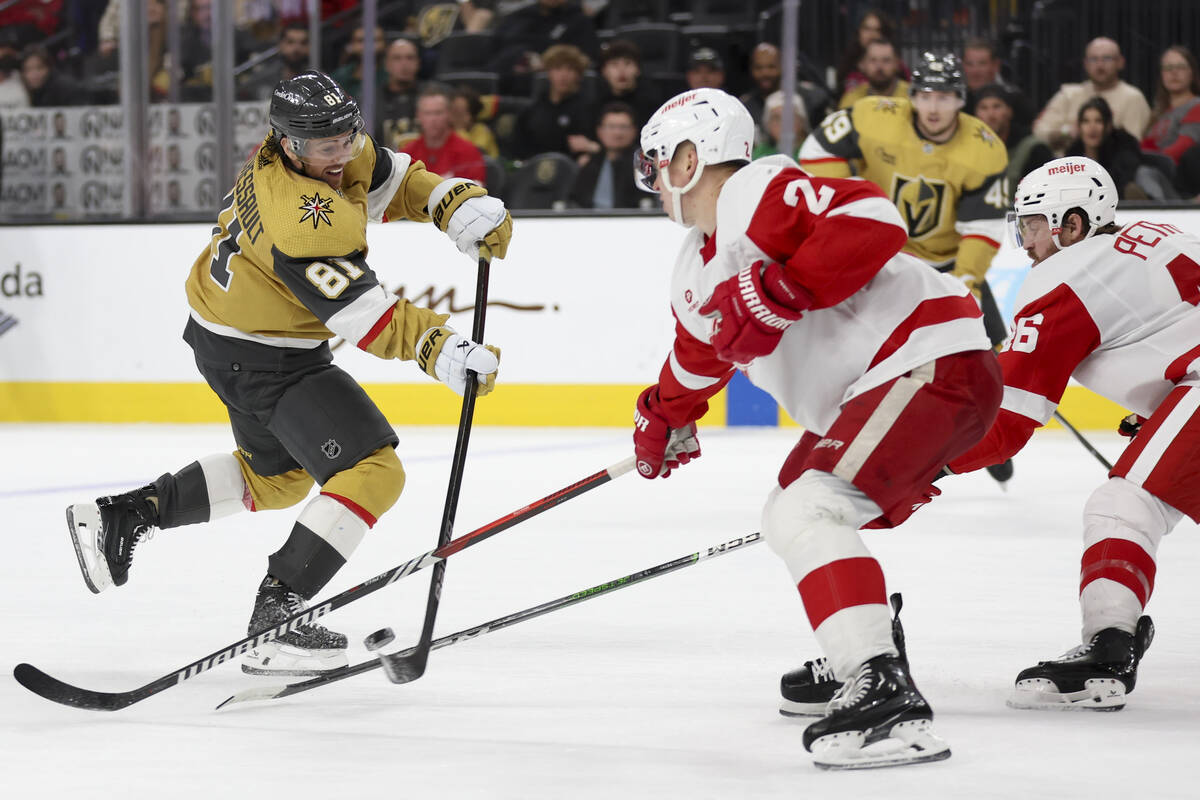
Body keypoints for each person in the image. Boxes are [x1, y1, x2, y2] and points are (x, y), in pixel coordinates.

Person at [64, 70, 512, 677]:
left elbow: (389, 176)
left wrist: (446, 202)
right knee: (373, 471)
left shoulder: (317, 150)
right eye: (327, 145)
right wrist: (443, 348)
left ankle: (128, 513)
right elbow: (367, 318)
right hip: (264, 357)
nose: (343, 152)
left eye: (347, 135)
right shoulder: (303, 219)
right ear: (289, 143)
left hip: (230, 339)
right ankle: (278, 615)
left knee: (276, 481)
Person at [630, 87, 1001, 769]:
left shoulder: (757, 189)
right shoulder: (695, 264)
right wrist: (661, 417)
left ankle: (883, 692)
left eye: (657, 161)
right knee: (790, 501)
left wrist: (786, 287)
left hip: (927, 360)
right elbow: (698, 356)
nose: (653, 180)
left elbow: (872, 217)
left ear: (689, 159)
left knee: (809, 506)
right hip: (897, 379)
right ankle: (859, 646)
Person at [944, 156, 1200, 711]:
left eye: (1034, 225)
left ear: (1073, 225)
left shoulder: (1064, 275)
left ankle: (1108, 650)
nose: (1026, 241)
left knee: (1122, 505)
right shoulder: (1156, 235)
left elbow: (1004, 424)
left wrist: (921, 464)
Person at [801, 52, 1010, 351]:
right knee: (857, 352)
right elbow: (817, 149)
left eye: (945, 97)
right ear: (912, 96)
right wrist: (847, 208)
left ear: (961, 99)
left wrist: (965, 280)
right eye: (925, 96)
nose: (934, 108)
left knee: (989, 358)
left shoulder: (984, 149)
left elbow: (982, 227)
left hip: (945, 265)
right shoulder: (874, 117)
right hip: (878, 258)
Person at [1034, 37, 1151, 155]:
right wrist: (1067, 132)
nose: (1100, 65)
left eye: (1107, 58)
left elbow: (1132, 144)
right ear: (1085, 64)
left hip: (1110, 168)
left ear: (1120, 62)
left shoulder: (1133, 97)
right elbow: (1039, 132)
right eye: (1094, 59)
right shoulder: (1068, 94)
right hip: (1061, 167)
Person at [511, 43, 596, 160]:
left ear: (579, 74)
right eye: (557, 68)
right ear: (548, 72)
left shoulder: (589, 109)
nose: (563, 75)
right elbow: (518, 148)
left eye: (570, 69)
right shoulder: (532, 110)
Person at [973, 83, 1054, 204]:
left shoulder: (1034, 149)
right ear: (976, 115)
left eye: (996, 107)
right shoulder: (968, 148)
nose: (990, 114)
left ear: (1009, 112)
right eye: (984, 108)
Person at [1141, 45, 1200, 197]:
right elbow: (1145, 145)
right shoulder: (1158, 113)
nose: (1174, 72)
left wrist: (1144, 159)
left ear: (1192, 72)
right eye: (1168, 68)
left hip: (1181, 184)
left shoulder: (1196, 106)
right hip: (1157, 175)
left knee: (1144, 173)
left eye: (1180, 67)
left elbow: (1183, 148)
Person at [402, 85, 487, 185]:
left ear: (449, 114)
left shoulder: (468, 151)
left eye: (438, 113)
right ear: (418, 115)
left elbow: (476, 193)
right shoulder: (407, 154)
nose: (433, 119)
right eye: (427, 113)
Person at [1065, 97, 1144, 199]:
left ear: (1108, 126)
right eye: (1086, 121)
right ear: (1079, 127)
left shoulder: (1124, 149)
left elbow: (1119, 185)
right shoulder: (1072, 155)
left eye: (1098, 121)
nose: (1092, 127)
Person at [569, 102, 640, 209]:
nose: (617, 133)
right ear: (600, 131)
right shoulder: (589, 163)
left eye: (623, 127)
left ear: (634, 131)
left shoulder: (643, 164)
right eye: (611, 127)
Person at [961, 37, 1031, 127]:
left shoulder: (1016, 100)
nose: (975, 71)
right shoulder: (956, 99)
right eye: (969, 64)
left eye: (982, 63)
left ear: (996, 65)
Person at [595, 39, 660, 128]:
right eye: (614, 64)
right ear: (604, 71)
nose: (621, 70)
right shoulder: (594, 103)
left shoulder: (653, 102)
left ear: (638, 70)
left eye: (628, 63)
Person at [240, 22, 312, 102]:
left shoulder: (320, 82)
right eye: (290, 42)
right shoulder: (262, 78)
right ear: (280, 45)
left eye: (303, 43)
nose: (297, 48)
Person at [377, 37, 424, 149]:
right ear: (386, 64)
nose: (404, 64)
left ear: (418, 63)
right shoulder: (370, 101)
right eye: (397, 58)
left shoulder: (433, 97)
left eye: (410, 58)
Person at [837, 38, 908, 109]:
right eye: (873, 60)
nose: (879, 66)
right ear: (862, 64)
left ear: (897, 64)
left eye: (886, 60)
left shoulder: (911, 97)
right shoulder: (852, 99)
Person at [752, 90, 808, 159]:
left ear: (801, 121)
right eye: (776, 118)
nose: (783, 124)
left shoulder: (812, 152)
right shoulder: (760, 153)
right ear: (768, 124)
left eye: (789, 117)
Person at [450, 85, 499, 158]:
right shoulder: (446, 130)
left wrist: (460, 128)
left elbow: (472, 154)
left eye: (458, 113)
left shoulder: (482, 131)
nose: (452, 116)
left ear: (470, 116)